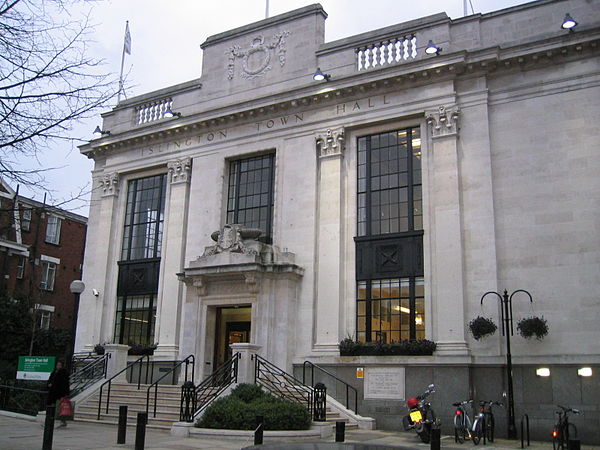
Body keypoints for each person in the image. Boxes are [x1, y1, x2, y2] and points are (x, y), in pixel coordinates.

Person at [47, 360, 70, 427]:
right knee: (53, 406)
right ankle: (50, 420)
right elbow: (50, 380)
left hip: (60, 393)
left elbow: (64, 384)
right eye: (57, 365)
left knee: (61, 408)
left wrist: (66, 393)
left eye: (60, 365)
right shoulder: (54, 372)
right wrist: (49, 384)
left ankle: (62, 421)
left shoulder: (64, 373)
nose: (58, 366)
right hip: (53, 392)